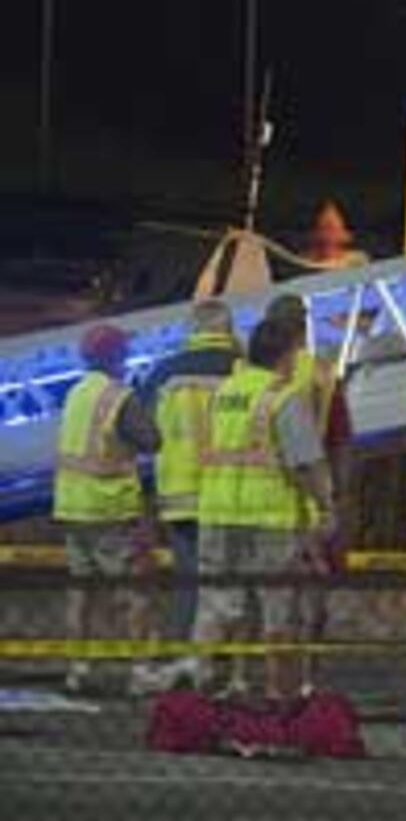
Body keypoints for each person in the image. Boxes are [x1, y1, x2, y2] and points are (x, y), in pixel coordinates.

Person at [193, 316, 336, 700]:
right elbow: (305, 463)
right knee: (279, 616)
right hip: (269, 521)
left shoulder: (222, 394)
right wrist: (325, 509)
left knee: (220, 610)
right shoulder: (282, 398)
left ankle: (208, 697)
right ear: (286, 354)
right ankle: (279, 702)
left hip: (218, 515)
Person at [134, 299, 239, 690]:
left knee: (188, 579)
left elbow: (142, 435)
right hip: (231, 493)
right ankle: (216, 668)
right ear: (227, 330)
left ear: (192, 330)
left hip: (180, 494)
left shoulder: (165, 373)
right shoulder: (242, 371)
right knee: (227, 584)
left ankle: (182, 663)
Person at [52, 324, 160, 696]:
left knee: (81, 591)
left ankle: (77, 668)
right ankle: (140, 670)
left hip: (71, 505)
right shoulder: (118, 396)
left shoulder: (74, 393)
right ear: (115, 357)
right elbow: (152, 440)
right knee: (135, 592)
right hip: (109, 508)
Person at [264, 292, 356, 693]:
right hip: (313, 493)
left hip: (263, 498)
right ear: (304, 329)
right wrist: (338, 496)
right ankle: (307, 681)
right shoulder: (322, 374)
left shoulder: (249, 373)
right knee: (312, 595)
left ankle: (267, 681)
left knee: (270, 601)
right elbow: (340, 440)